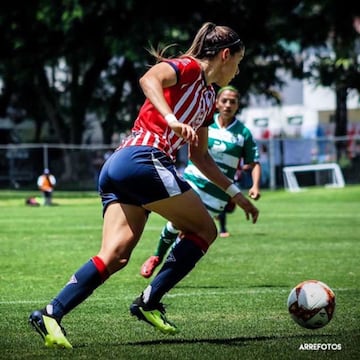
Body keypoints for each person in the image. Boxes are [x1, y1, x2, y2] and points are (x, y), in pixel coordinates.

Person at [28, 22, 259, 349]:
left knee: (116, 255)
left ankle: (51, 312)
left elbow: (202, 158)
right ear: (225, 55)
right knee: (204, 230)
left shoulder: (208, 99)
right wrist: (171, 120)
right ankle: (149, 302)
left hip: (119, 167)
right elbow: (149, 78)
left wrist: (237, 194)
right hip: (142, 159)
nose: (238, 70)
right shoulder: (189, 68)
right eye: (238, 60)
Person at [140, 86, 261, 278]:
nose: (228, 105)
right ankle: (156, 256)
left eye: (233, 102)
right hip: (193, 183)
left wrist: (255, 186)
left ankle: (166, 272)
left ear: (238, 105)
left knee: (192, 234)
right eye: (224, 101)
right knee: (175, 224)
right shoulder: (205, 124)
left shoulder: (243, 133)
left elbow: (253, 163)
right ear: (217, 103)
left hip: (218, 194)